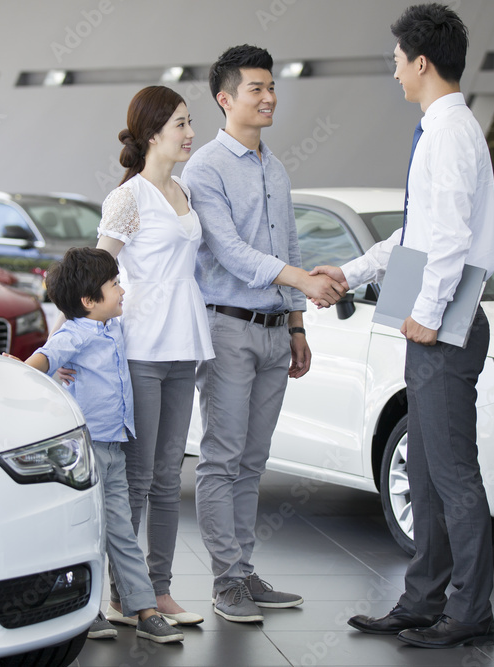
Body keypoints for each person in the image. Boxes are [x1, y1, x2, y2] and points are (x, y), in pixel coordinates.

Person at [312, 3, 494, 649]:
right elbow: (416, 234)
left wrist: (425, 311)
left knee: (452, 475)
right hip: (434, 322)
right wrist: (355, 270)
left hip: (444, 325)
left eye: (396, 61)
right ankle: (423, 599)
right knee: (423, 471)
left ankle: (470, 610)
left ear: (421, 61)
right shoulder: (441, 129)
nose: (393, 73)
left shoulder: (449, 133)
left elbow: (445, 240)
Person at [180, 44, 346, 623]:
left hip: (277, 330)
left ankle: (244, 571)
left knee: (253, 460)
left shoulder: (275, 167)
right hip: (227, 328)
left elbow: (289, 247)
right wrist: (301, 279)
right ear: (226, 99)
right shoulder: (203, 168)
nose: (270, 96)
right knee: (221, 459)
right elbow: (228, 250)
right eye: (256, 88)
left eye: (272, 86)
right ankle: (225, 581)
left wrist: (298, 321)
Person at [7, 246, 184, 644]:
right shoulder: (74, 334)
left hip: (112, 449)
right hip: (83, 452)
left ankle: (143, 610)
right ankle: (90, 610)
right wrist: (18, 372)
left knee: (120, 530)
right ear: (89, 301)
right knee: (84, 531)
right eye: (114, 285)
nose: (122, 291)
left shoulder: (112, 327)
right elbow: (44, 359)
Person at [95, 85, 213, 627]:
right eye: (181, 124)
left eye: (191, 122)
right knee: (138, 478)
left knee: (169, 476)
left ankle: (159, 590)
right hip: (142, 348)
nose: (190, 133)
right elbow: (95, 277)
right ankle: (125, 594)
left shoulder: (184, 192)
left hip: (183, 345)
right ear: (151, 134)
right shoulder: (129, 198)